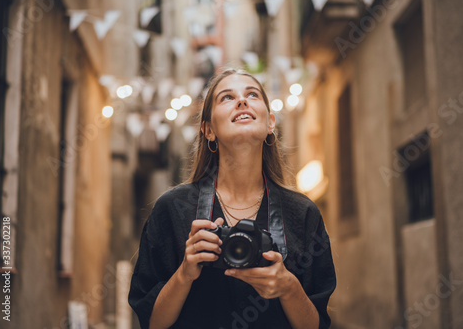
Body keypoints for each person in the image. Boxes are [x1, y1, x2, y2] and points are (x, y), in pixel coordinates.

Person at [128, 68, 336, 329]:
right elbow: (151, 324)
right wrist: (184, 273)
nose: (242, 101)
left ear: (271, 123)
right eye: (227, 97)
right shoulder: (172, 209)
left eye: (252, 94)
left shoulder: (303, 213)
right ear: (208, 129)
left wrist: (289, 286)